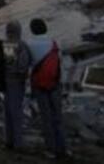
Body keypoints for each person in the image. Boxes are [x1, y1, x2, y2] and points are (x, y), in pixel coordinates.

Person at [26, 18, 67, 160]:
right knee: (58, 117)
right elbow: (60, 63)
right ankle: (63, 148)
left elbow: (27, 64)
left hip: (39, 85)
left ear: (32, 30)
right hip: (55, 84)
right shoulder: (54, 42)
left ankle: (51, 149)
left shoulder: (29, 44)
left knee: (46, 118)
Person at [3, 21, 31, 152]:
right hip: (16, 81)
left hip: (6, 81)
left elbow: (7, 63)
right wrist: (22, 74)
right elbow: (22, 64)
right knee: (16, 112)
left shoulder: (6, 44)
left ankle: (9, 140)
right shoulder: (20, 44)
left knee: (8, 112)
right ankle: (18, 142)